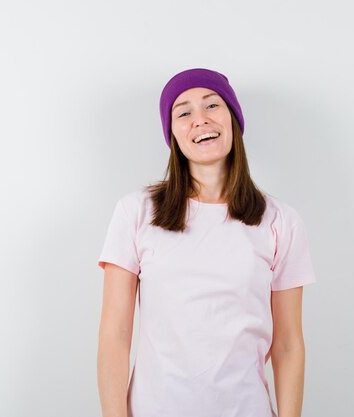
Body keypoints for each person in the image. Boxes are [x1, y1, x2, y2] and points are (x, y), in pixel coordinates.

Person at [97, 68, 317, 417]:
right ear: (172, 133)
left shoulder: (280, 221)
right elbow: (115, 336)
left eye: (212, 106)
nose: (200, 120)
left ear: (233, 118)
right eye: (183, 112)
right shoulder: (136, 213)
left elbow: (289, 344)